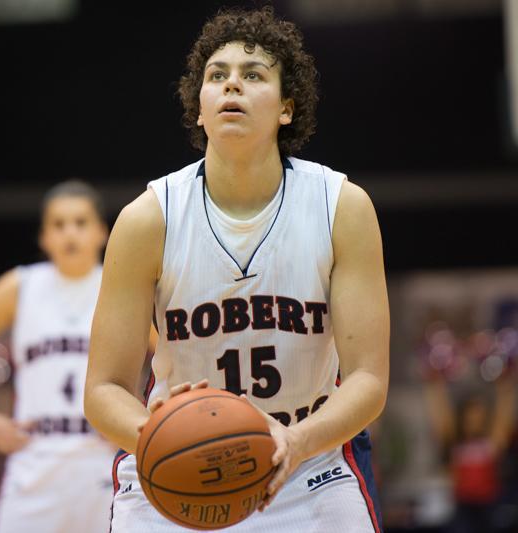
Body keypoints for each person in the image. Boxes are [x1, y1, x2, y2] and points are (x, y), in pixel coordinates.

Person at [84, 6, 389, 533]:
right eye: (217, 76)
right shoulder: (147, 219)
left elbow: (368, 380)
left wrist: (297, 442)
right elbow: (103, 388)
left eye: (254, 75)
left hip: (308, 461)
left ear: (286, 108)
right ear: (199, 109)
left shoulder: (341, 206)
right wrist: (158, 435)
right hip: (176, 467)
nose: (233, 86)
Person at [0, 181, 153, 533]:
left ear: (102, 232)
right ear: (44, 237)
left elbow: (171, 355)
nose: (70, 232)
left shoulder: (119, 285)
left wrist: (137, 418)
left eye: (80, 222)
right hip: (35, 464)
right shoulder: (20, 286)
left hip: (103, 461)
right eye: (59, 224)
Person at [424, 369, 516, 533]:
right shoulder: (454, 442)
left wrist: (505, 385)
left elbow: (504, 416)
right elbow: (441, 416)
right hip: (463, 508)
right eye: (471, 415)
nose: (475, 419)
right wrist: (435, 384)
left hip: (489, 506)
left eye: (479, 414)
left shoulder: (491, 441)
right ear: (463, 416)